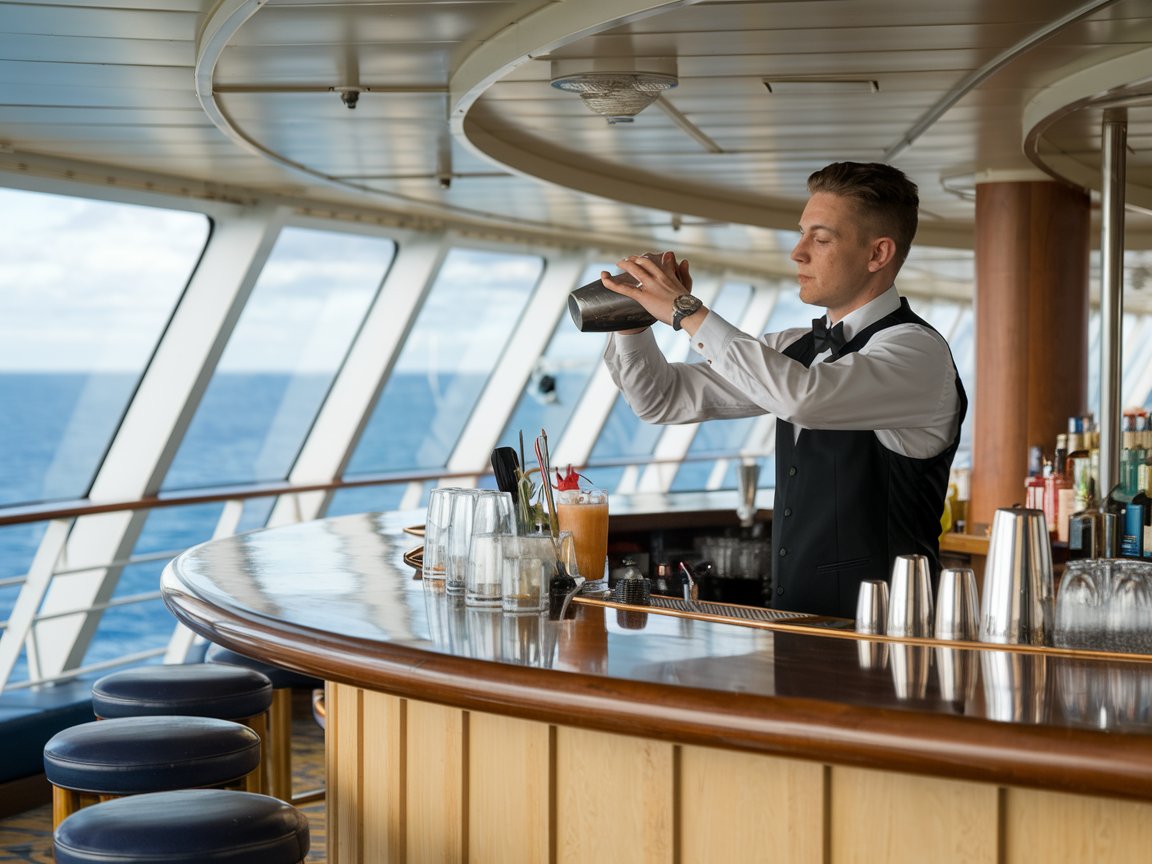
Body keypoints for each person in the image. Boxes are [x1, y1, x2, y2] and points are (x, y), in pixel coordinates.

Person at [599, 161, 967, 618]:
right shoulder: (792, 348)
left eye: (821, 238)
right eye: (800, 233)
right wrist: (633, 321)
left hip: (889, 629)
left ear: (878, 254)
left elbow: (806, 399)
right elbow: (662, 399)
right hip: (796, 623)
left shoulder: (917, 352)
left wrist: (686, 311)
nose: (797, 253)